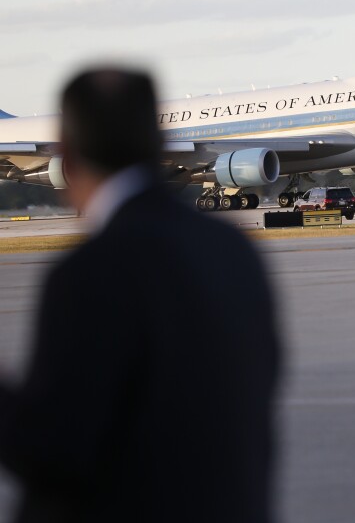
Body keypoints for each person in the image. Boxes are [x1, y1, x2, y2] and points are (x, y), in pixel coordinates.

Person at [0, 69, 280, 522]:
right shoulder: (234, 249)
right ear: (156, 141)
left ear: (69, 154)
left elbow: (51, 449)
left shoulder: (89, 271)